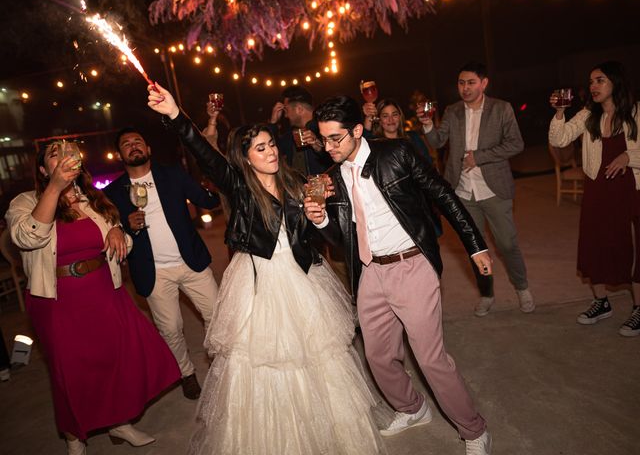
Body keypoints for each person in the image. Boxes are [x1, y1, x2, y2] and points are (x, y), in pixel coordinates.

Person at [147, 83, 386, 455]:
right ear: (245, 158)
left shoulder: (297, 182)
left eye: (272, 144)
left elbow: (318, 233)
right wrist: (176, 115)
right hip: (258, 282)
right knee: (262, 364)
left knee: (318, 358)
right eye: (261, 148)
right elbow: (204, 155)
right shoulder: (239, 185)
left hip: (303, 277)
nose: (271, 151)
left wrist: (317, 218)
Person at [306, 95, 493, 455]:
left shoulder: (396, 154)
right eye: (323, 138)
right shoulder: (332, 178)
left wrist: (475, 244)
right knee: (377, 355)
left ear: (357, 131)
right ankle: (412, 408)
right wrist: (322, 220)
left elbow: (443, 194)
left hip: (412, 265)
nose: (327, 147)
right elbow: (341, 238)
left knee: (430, 358)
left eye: (335, 138)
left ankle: (473, 430)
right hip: (370, 271)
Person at [6, 142, 180, 455]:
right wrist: (55, 188)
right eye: (55, 153)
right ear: (44, 170)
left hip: (104, 290)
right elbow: (27, 237)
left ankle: (119, 423)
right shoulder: (25, 202)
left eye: (70, 149)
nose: (66, 154)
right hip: (59, 300)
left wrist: (118, 233)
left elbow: (121, 236)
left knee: (118, 360)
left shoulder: (93, 199)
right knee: (71, 372)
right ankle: (75, 436)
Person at [103, 128, 219, 399]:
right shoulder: (112, 193)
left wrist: (216, 180)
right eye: (126, 144)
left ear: (148, 149)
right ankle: (186, 373)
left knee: (217, 316)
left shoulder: (172, 174)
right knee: (170, 329)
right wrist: (125, 226)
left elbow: (207, 200)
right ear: (119, 154)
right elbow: (108, 230)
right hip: (153, 270)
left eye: (138, 141)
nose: (133, 146)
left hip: (191, 262)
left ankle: (223, 364)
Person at [420, 61, 535, 317]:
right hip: (463, 192)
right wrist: (428, 124)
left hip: (494, 189)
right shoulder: (452, 111)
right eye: (461, 83)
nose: (465, 88)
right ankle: (486, 294)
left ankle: (522, 288)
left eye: (471, 82)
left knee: (507, 243)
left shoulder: (501, 109)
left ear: (484, 83)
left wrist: (479, 157)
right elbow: (438, 141)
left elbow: (516, 143)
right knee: (475, 248)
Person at [548, 60, 640, 337]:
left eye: (600, 80)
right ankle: (601, 302)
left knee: (633, 247)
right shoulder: (589, 115)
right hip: (598, 189)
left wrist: (628, 156)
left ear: (615, 82)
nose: (593, 86)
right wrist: (560, 113)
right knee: (594, 243)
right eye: (591, 82)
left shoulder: (636, 112)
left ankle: (639, 308)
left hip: (631, 190)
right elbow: (560, 139)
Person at [269, 85, 332, 175]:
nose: (285, 116)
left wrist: (319, 147)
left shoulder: (326, 128)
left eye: (286, 110)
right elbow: (274, 150)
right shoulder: (292, 135)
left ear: (299, 109)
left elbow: (337, 160)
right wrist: (273, 122)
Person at [363, 98, 433, 165]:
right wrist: (369, 116)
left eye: (394, 114)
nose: (391, 119)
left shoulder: (413, 138)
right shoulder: (374, 144)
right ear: (379, 120)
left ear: (400, 117)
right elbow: (363, 141)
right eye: (385, 116)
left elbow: (428, 163)